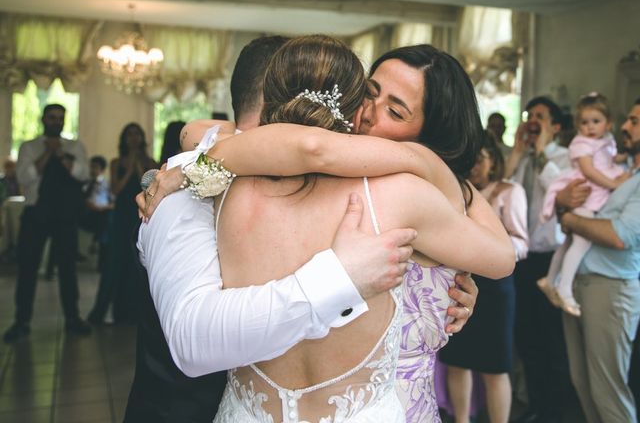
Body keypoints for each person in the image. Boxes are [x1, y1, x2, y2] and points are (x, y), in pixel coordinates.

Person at [146, 40, 513, 422]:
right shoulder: (369, 182)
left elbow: (310, 146)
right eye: (370, 92)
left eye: (395, 110)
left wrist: (192, 169)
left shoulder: (416, 178)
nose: (369, 112)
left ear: (428, 134)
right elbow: (211, 132)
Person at [553, 99, 640, 423]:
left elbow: (620, 235)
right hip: (581, 284)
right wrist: (563, 204)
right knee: (584, 385)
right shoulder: (620, 172)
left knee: (609, 392)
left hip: (611, 289)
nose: (625, 127)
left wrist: (572, 221)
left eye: (634, 121)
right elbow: (575, 206)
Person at [439, 131, 528, 423]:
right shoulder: (456, 192)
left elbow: (522, 242)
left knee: (495, 366)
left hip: (497, 288)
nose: (475, 166)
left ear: (494, 161)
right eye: (471, 160)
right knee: (457, 362)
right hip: (461, 281)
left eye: (481, 160)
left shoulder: (509, 191)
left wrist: (489, 249)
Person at [504, 96, 573, 423]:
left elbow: (559, 191)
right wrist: (518, 152)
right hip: (523, 259)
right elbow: (501, 189)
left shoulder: (566, 158)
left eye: (541, 117)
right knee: (527, 337)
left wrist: (542, 149)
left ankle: (555, 412)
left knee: (551, 340)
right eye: (530, 115)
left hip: (551, 260)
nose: (533, 121)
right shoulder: (524, 158)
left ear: (556, 127)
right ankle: (534, 404)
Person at [3, 103, 91, 343]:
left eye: (60, 118)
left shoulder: (74, 147)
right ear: (43, 119)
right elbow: (23, 177)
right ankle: (21, 322)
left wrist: (61, 155)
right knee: (28, 268)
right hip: (36, 213)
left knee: (67, 269)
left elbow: (83, 175)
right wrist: (47, 154)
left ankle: (72, 319)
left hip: (65, 215)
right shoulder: (30, 147)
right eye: (52, 117)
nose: (56, 121)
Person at [538, 93, 628, 316]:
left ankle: (550, 280)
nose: (590, 127)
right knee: (582, 242)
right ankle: (564, 288)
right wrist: (614, 183)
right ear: (578, 125)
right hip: (587, 191)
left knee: (569, 242)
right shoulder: (581, 143)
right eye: (585, 122)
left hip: (594, 191)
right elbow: (589, 171)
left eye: (596, 121)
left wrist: (618, 160)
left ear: (608, 123)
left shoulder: (605, 141)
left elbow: (607, 159)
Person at [88, 123, 157, 325]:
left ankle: (128, 313)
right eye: (130, 134)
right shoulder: (116, 162)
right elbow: (115, 190)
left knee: (135, 265)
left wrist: (139, 167)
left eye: (137, 134)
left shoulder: (150, 162)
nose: (133, 138)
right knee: (113, 263)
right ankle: (100, 312)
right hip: (120, 218)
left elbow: (150, 192)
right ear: (124, 139)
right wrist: (129, 169)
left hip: (139, 217)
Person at [80, 155, 112, 272]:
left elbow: (113, 201)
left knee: (106, 220)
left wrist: (103, 207)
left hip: (102, 211)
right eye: (91, 167)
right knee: (104, 223)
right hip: (87, 213)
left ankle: (96, 243)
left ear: (102, 169)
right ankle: (95, 242)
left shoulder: (107, 184)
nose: (92, 170)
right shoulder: (85, 183)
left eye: (95, 167)